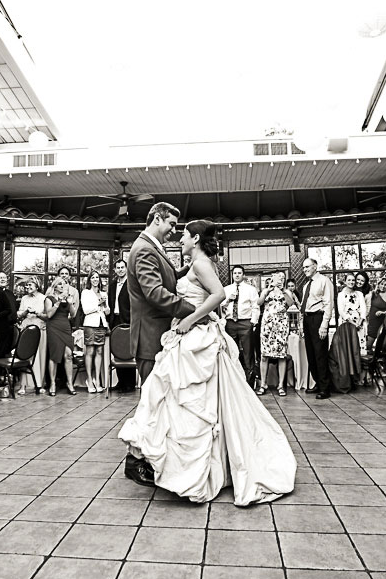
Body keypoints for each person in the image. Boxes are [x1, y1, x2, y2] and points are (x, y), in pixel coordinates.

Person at [118, 219, 296, 505]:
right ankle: (170, 464)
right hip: (186, 337)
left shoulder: (201, 265)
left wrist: (188, 319)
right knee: (172, 397)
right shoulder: (194, 264)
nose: (180, 239)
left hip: (195, 336)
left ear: (196, 239)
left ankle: (189, 468)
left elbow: (219, 294)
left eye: (185, 236)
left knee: (190, 400)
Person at [124, 202, 196, 486]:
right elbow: (154, 293)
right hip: (150, 336)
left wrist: (184, 272)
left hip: (157, 334)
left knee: (159, 401)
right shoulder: (143, 249)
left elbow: (162, 280)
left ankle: (152, 459)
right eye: (171, 225)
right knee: (151, 404)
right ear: (157, 218)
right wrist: (194, 310)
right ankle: (134, 462)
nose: (174, 232)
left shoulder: (152, 247)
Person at [300, 258, 334, 399]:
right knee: (311, 354)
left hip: (318, 319)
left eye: (307, 266)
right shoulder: (306, 285)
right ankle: (318, 383)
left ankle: (325, 388)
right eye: (303, 267)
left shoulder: (324, 281)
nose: (305, 269)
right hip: (307, 319)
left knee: (320, 354)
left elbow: (328, 304)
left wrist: (324, 325)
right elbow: (303, 305)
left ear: (315, 266)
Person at [258, 271, 296, 396]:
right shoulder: (266, 290)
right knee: (264, 355)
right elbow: (259, 303)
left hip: (281, 325)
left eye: (283, 278)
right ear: (273, 278)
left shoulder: (287, 292)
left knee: (281, 355)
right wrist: (267, 290)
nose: (280, 279)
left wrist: (283, 291)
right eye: (278, 277)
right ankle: (263, 384)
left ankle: (280, 385)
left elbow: (291, 304)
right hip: (267, 325)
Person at [223, 265, 260, 386]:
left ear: (243, 275)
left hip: (245, 323)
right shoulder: (226, 289)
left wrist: (253, 322)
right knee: (231, 352)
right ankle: (233, 381)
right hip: (230, 323)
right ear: (232, 275)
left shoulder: (251, 289)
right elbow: (220, 306)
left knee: (248, 352)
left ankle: (250, 381)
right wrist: (228, 299)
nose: (237, 275)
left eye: (239, 273)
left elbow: (255, 306)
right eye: (235, 273)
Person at [329, 273, 365, 392]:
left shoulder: (359, 294)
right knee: (347, 351)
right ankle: (348, 379)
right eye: (349, 280)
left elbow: (363, 309)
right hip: (346, 326)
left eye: (353, 280)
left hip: (359, 324)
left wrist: (360, 321)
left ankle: (358, 379)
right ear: (345, 281)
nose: (351, 282)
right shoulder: (341, 295)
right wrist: (353, 323)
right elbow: (341, 311)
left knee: (357, 350)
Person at [45, 277, 78, 396]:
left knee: (68, 355)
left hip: (65, 327)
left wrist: (70, 303)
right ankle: (52, 383)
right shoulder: (49, 298)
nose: (62, 286)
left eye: (64, 284)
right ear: (55, 286)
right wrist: (57, 302)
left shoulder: (68, 298)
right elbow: (49, 315)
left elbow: (73, 315)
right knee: (54, 356)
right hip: (53, 327)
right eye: (60, 284)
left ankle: (70, 383)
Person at [108, 258, 135, 392]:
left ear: (126, 268)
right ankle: (120, 382)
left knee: (128, 351)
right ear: (115, 270)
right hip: (115, 320)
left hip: (128, 320)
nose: (120, 270)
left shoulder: (131, 284)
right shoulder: (112, 285)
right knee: (117, 352)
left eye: (122, 267)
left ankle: (129, 384)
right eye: (117, 268)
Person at [17, 280, 49, 394]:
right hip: (26, 328)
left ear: (37, 285)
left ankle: (39, 384)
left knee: (40, 356)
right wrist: (25, 311)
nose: (27, 287)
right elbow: (19, 314)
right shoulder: (24, 298)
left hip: (40, 328)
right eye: (27, 285)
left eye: (30, 284)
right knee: (25, 356)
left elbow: (48, 315)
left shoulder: (44, 298)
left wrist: (36, 312)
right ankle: (23, 385)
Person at [80, 270, 109, 393]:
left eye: (97, 277)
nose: (95, 279)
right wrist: (98, 303)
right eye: (93, 277)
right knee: (90, 351)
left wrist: (105, 305)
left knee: (99, 351)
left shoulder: (103, 293)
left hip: (101, 325)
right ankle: (89, 380)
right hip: (90, 324)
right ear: (89, 280)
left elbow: (107, 311)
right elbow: (86, 310)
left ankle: (97, 380)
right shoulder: (86, 293)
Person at [365, 278, 386, 349]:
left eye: (385, 285)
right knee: (368, 345)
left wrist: (383, 312)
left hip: (382, 322)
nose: (383, 286)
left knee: (382, 344)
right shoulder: (373, 294)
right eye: (381, 284)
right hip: (372, 321)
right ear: (378, 284)